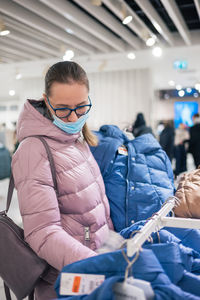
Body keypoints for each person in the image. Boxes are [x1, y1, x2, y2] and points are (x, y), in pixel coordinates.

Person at [11, 61, 113, 299]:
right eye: (63, 109)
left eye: (81, 107)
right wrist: (99, 265)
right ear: (46, 101)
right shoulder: (33, 150)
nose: (73, 117)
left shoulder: (77, 140)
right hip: (67, 282)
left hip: (94, 274)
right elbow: (42, 232)